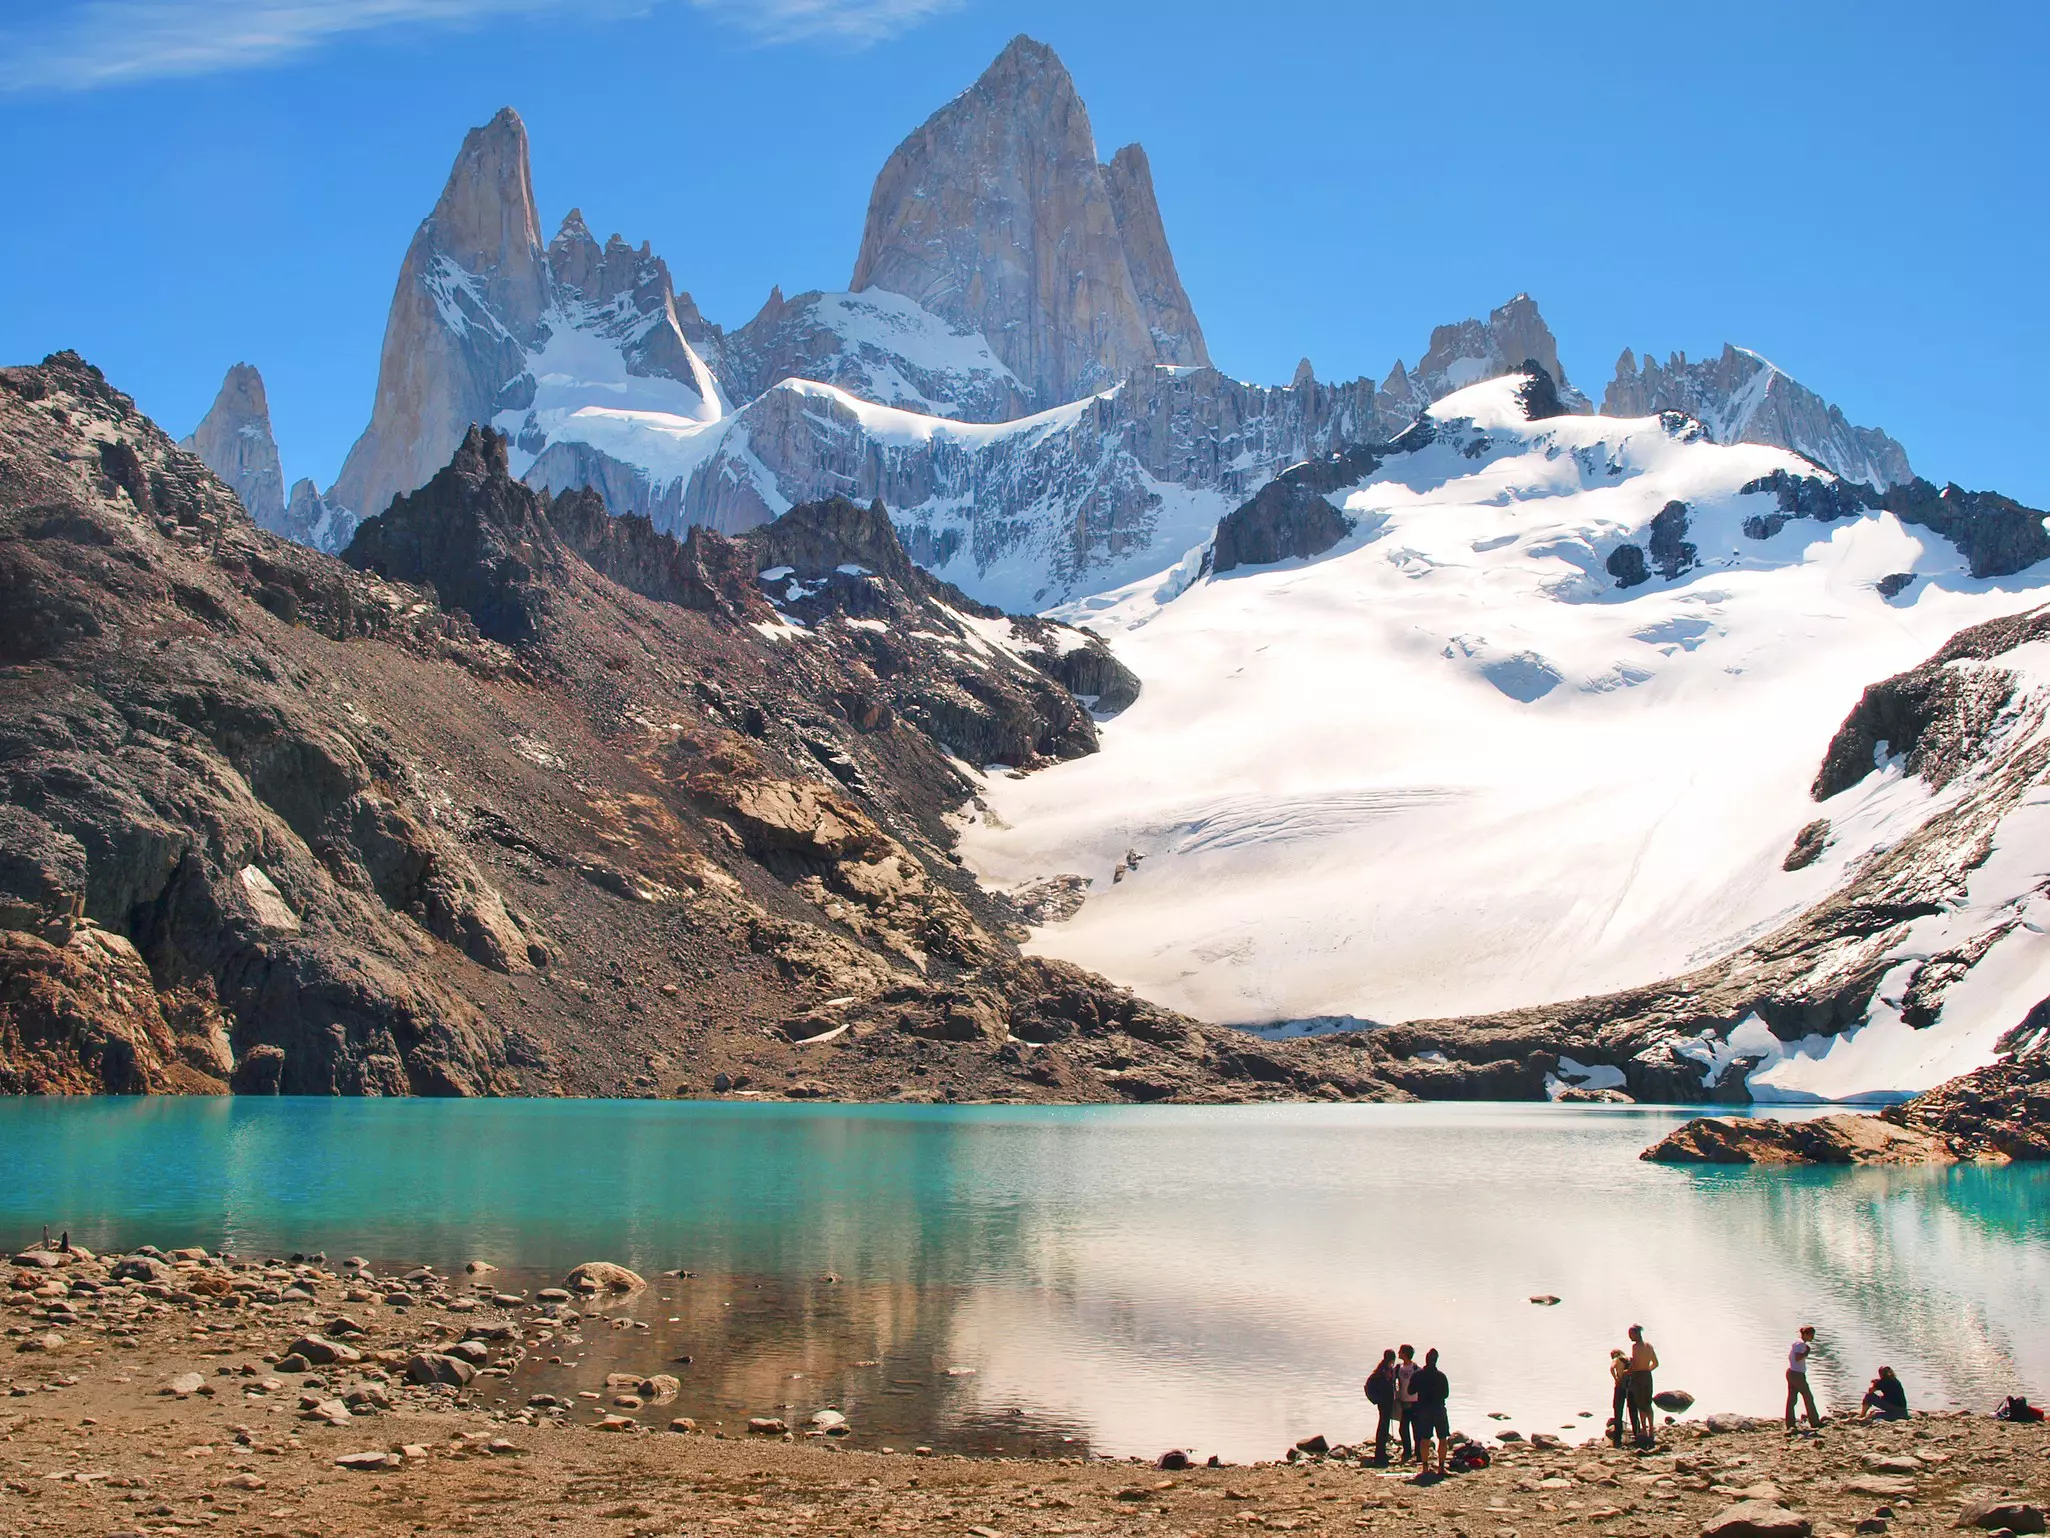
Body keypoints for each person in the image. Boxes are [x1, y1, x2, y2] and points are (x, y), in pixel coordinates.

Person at [1409, 1347, 1451, 1477]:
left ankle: (1425, 1467)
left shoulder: (1418, 1375)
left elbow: (1410, 1391)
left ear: (1426, 1360)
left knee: (1425, 1439)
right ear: (1436, 1361)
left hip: (1424, 1409)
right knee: (1443, 1439)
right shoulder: (1441, 1376)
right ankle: (1441, 1467)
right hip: (1438, 1408)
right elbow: (1446, 1394)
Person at [1626, 1325, 1659, 1448]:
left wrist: (1627, 1372)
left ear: (1636, 1334)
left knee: (1640, 1403)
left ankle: (1644, 1429)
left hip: (1638, 1376)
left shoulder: (1635, 1347)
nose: (1629, 1337)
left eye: (1631, 1334)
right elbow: (1656, 1363)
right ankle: (1651, 1429)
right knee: (1648, 1402)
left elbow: (1635, 1363)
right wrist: (1647, 1370)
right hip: (1647, 1376)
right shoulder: (1649, 1346)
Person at [1364, 1349, 1398, 1465]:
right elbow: (1368, 1385)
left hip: (1387, 1402)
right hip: (1383, 1402)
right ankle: (1380, 1453)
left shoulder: (1387, 1369)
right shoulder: (1381, 1371)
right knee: (1383, 1426)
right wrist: (1376, 1399)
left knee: (1384, 1426)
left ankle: (1381, 1451)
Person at [1786, 1325, 1823, 1431]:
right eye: (1811, 1335)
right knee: (1808, 1397)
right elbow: (1798, 1357)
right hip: (1797, 1374)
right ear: (1806, 1334)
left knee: (1792, 1399)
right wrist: (1807, 1352)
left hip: (1791, 1372)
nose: (1812, 1338)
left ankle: (1790, 1424)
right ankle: (1815, 1422)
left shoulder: (1796, 1342)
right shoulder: (1801, 1345)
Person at [1394, 1344, 1419, 1463]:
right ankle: (1407, 1451)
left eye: (1400, 1351)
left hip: (1415, 1403)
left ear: (1405, 1353)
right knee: (1403, 1429)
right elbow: (1393, 1381)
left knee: (1416, 1429)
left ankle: (1418, 1453)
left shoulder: (1416, 1368)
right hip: (1403, 1402)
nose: (1398, 1353)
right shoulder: (1398, 1368)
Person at [1608, 1348, 1632, 1447]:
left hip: (1620, 1385)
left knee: (1617, 1408)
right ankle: (1637, 1430)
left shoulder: (1617, 1359)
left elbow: (1611, 1368)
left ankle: (1618, 1434)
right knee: (1632, 1408)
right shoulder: (1629, 1359)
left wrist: (1616, 1378)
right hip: (1630, 1385)